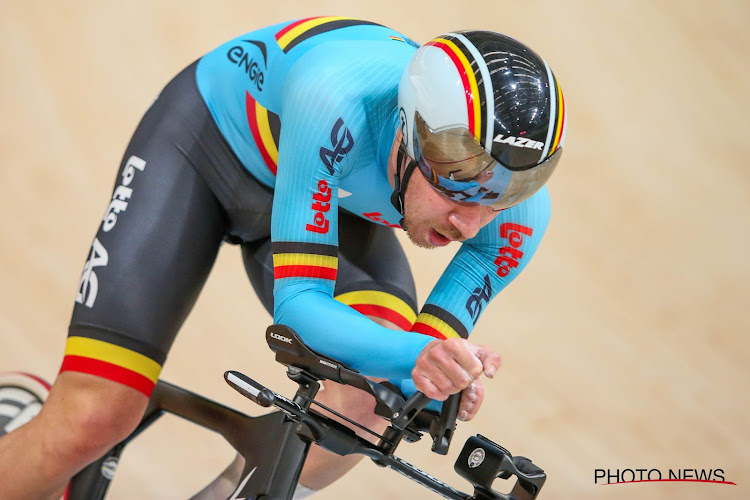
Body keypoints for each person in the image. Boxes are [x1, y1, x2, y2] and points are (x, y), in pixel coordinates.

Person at [0, 17, 566, 499]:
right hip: (203, 151)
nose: (471, 223)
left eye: (499, 199)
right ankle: (26, 432)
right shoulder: (337, 95)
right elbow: (300, 308)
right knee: (93, 418)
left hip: (326, 195)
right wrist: (419, 355)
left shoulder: (520, 213)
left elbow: (422, 354)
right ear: (410, 136)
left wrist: (442, 372)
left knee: (369, 406)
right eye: (456, 191)